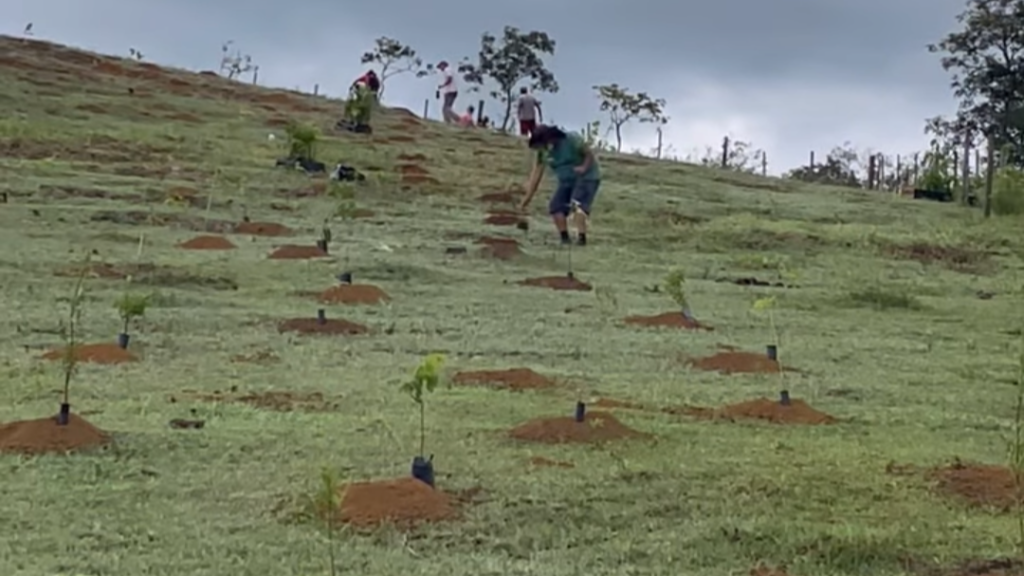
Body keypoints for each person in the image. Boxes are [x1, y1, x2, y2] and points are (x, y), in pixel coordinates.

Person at [519, 125, 601, 246]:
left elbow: (589, 154)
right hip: (566, 181)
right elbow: (536, 176)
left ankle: (581, 238)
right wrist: (526, 200)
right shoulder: (543, 153)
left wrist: (583, 168)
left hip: (586, 178)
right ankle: (564, 238)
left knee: (576, 204)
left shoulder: (572, 139)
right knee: (556, 207)